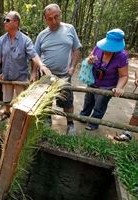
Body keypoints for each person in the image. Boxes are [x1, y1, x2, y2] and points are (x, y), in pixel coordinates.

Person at [0, 11, 50, 120]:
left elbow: (33, 55)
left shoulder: (25, 40)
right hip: (7, 76)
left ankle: (20, 119)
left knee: (21, 100)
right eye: (4, 20)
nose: (4, 22)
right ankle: (7, 112)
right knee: (6, 99)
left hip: (20, 77)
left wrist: (41, 65)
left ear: (16, 22)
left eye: (7, 20)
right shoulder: (2, 40)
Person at [34, 4, 81, 134]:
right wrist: (33, 72)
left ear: (60, 14)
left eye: (56, 17)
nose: (54, 21)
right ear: (45, 19)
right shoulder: (41, 35)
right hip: (46, 75)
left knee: (67, 101)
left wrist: (72, 67)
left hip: (64, 74)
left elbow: (76, 50)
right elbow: (35, 55)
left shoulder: (70, 29)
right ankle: (48, 121)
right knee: (46, 100)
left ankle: (70, 124)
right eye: (50, 18)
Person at [80, 28, 128, 130]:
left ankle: (93, 123)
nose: (106, 50)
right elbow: (89, 57)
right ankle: (83, 116)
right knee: (88, 100)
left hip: (107, 85)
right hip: (93, 80)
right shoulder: (98, 48)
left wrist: (119, 88)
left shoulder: (122, 56)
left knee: (100, 104)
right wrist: (90, 60)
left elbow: (123, 75)